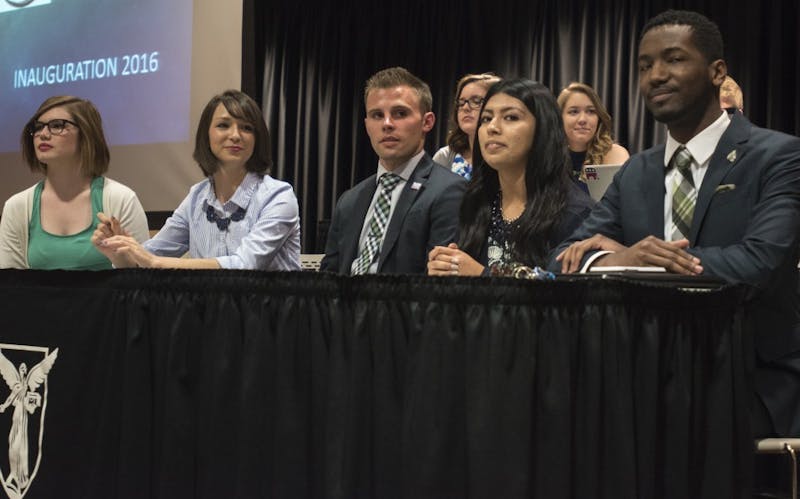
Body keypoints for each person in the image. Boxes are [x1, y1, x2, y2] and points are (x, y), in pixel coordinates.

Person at [554, 10, 800, 440]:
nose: (656, 76)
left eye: (674, 60)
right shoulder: (635, 172)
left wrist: (644, 266)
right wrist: (619, 257)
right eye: (645, 66)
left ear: (716, 72)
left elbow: (760, 261)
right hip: (640, 376)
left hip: (747, 380)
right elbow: (562, 257)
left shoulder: (779, 156)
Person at [93, 90, 300, 270]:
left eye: (247, 128)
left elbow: (245, 265)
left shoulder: (278, 196)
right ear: (206, 135)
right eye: (223, 125)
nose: (236, 135)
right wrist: (121, 252)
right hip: (209, 312)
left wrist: (155, 261)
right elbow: (147, 258)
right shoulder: (197, 197)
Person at [428, 78, 594, 277]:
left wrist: (482, 275)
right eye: (486, 119)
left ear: (543, 129)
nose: (492, 128)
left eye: (511, 118)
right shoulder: (474, 202)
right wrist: (444, 269)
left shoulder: (576, 213)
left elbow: (564, 299)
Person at [320, 67, 466, 275]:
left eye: (400, 113)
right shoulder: (349, 201)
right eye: (377, 115)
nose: (387, 124)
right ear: (367, 125)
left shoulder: (450, 191)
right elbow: (328, 277)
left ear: (427, 122)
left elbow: (438, 287)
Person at [0, 96, 148, 270]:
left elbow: (144, 280)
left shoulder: (121, 199)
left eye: (57, 125)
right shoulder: (17, 206)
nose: (43, 134)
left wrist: (124, 261)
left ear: (86, 134)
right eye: (38, 127)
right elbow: (12, 287)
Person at [557, 82, 630, 192]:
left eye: (590, 111)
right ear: (559, 117)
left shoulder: (615, 154)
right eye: (574, 112)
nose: (582, 119)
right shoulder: (549, 156)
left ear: (599, 118)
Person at [433, 73, 501, 180]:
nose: (465, 108)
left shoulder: (506, 156)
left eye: (476, 101)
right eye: (461, 102)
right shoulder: (445, 156)